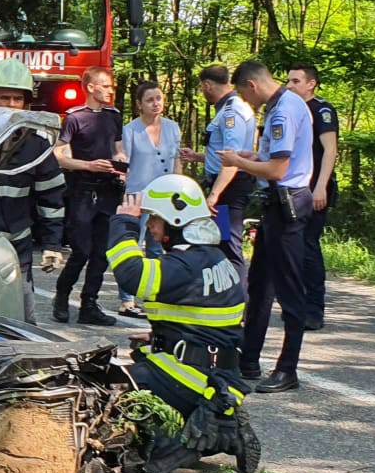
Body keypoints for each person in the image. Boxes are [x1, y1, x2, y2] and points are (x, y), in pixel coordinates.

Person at [106, 176, 260, 473]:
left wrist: (124, 224)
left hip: (194, 376)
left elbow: (131, 275)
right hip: (218, 373)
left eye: (155, 219)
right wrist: (163, 334)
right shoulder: (214, 258)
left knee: (110, 390)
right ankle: (219, 422)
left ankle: (196, 437)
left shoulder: (183, 266)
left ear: (175, 219)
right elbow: (207, 317)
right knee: (142, 366)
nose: (149, 226)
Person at [218, 60, 316, 393]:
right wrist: (240, 156)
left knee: (288, 289)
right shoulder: (281, 106)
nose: (248, 103)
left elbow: (276, 170)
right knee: (260, 284)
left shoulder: (284, 110)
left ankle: (287, 369)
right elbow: (268, 157)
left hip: (289, 202)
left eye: (245, 95)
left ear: (251, 85)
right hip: (276, 204)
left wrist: (237, 162)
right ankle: (248, 360)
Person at [0, 57, 66, 320]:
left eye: (18, 99)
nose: (11, 106)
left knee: (20, 318)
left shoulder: (37, 146)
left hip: (15, 246)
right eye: (5, 98)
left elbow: (51, 199)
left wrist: (52, 244)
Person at [50, 66, 127, 325]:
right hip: (82, 190)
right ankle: (61, 296)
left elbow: (118, 149)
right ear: (91, 87)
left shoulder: (114, 116)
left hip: (108, 190)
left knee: (101, 252)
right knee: (81, 250)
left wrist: (120, 164)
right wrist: (88, 165)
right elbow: (60, 156)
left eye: (111, 86)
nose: (109, 90)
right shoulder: (74, 117)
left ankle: (89, 305)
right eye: (105, 86)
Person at [183, 64, 256, 270]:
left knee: (229, 246)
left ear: (207, 85)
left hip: (229, 188)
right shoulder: (225, 109)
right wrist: (197, 157)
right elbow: (223, 154)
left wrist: (214, 195)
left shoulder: (232, 113)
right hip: (225, 184)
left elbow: (231, 159)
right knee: (219, 243)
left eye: (201, 87)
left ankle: (237, 298)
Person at [119, 80, 182, 317]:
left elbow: (177, 160)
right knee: (133, 246)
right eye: (149, 100)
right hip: (137, 195)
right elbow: (124, 165)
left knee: (158, 248)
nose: (155, 104)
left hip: (164, 196)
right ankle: (127, 299)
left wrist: (179, 189)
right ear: (139, 105)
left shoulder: (173, 127)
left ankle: (152, 296)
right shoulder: (130, 130)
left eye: (159, 98)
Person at [287, 62, 341, 331]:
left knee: (309, 246)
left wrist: (320, 187)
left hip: (316, 187)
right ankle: (294, 303)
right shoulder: (291, 109)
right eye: (288, 81)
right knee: (291, 247)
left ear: (311, 83)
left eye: (296, 81)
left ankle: (314, 309)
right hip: (294, 189)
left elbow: (330, 150)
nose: (289, 86)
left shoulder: (322, 109)